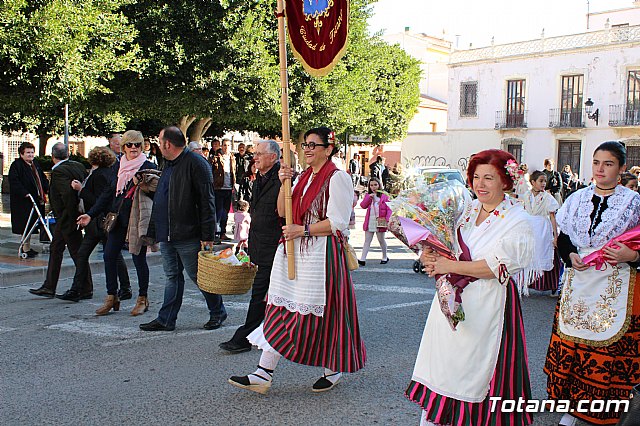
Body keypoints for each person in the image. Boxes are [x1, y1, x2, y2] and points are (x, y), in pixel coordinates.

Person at [228, 127, 366, 394]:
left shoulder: (337, 178)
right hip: (294, 251)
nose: (309, 149)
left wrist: (302, 231)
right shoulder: (301, 177)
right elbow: (282, 211)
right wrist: (284, 183)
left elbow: (337, 223)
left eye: (315, 145)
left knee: (323, 316)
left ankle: (332, 368)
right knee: (279, 309)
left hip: (321, 255)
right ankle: (263, 372)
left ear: (328, 149)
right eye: (306, 144)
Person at [409, 149, 538, 426]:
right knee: (444, 364)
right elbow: (443, 244)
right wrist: (430, 256)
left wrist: (449, 267)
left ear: (505, 181)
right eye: (476, 177)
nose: (480, 184)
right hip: (451, 299)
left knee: (478, 372)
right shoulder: (465, 209)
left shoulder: (518, 220)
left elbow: (496, 267)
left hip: (489, 304)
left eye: (489, 178)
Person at [544, 141, 640, 426]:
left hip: (618, 282)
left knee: (610, 351)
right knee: (571, 345)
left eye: (608, 163)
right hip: (579, 283)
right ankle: (571, 409)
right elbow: (564, 238)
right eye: (596, 162)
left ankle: (611, 414)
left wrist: (632, 255)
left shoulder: (635, 203)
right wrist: (570, 255)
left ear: (621, 168)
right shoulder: (576, 198)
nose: (600, 169)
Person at [139, 126, 226, 332]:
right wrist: (153, 233)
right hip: (168, 232)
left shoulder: (196, 163)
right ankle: (166, 319)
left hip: (189, 232)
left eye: (160, 141)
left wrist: (208, 235)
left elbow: (207, 201)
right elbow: (162, 199)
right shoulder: (168, 164)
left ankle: (218, 312)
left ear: (167, 144)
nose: (159, 145)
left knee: (199, 276)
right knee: (172, 276)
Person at [77, 131, 157, 316]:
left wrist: (144, 184)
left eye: (137, 144)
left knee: (138, 258)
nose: (134, 148)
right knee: (109, 255)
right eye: (129, 145)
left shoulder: (148, 166)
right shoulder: (119, 165)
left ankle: (143, 298)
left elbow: (156, 193)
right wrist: (90, 214)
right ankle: (112, 296)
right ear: (123, 147)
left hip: (137, 219)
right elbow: (107, 193)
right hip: (118, 218)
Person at [219, 140, 282, 354]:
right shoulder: (259, 179)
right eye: (255, 153)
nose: (255, 157)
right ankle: (267, 333)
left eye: (259, 154)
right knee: (267, 294)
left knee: (260, 294)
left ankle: (245, 337)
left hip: (275, 247)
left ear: (273, 157)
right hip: (259, 245)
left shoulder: (283, 179)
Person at [57, 147, 130, 302]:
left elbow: (98, 199)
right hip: (104, 222)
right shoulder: (110, 173)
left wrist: (80, 189)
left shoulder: (98, 175)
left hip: (97, 222)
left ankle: (78, 289)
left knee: (84, 254)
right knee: (113, 255)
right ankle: (125, 287)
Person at [29, 143, 87, 298]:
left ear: (52, 156)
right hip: (70, 217)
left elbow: (66, 196)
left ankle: (85, 287)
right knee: (56, 250)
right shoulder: (78, 166)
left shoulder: (59, 171)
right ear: (68, 154)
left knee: (76, 252)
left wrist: (69, 216)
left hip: (67, 218)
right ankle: (49, 286)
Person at [522, 170, 561, 293]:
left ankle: (549, 284)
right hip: (529, 228)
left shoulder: (547, 197)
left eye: (545, 181)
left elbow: (552, 216)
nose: (544, 183)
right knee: (529, 254)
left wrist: (555, 235)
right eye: (541, 181)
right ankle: (528, 283)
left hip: (543, 228)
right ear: (533, 182)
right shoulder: (527, 195)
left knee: (543, 252)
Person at [9, 142, 49, 258]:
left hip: (36, 200)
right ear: (22, 154)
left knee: (33, 224)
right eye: (28, 152)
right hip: (24, 202)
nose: (30, 155)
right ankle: (25, 248)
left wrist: (46, 188)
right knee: (25, 225)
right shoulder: (17, 166)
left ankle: (27, 247)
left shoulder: (35, 164)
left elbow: (42, 178)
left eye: (32, 152)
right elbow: (14, 182)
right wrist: (25, 193)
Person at [358, 178, 391, 266]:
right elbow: (363, 206)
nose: (373, 187)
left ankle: (385, 256)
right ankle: (362, 259)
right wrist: (369, 198)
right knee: (367, 240)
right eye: (371, 185)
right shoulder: (368, 195)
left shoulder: (384, 196)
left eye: (375, 185)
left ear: (379, 185)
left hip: (381, 220)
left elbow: (389, 208)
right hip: (370, 220)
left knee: (381, 240)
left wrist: (387, 219)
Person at [211, 138, 235, 241]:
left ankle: (223, 232)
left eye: (228, 145)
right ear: (221, 146)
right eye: (224, 145)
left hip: (228, 188)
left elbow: (233, 171)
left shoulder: (232, 158)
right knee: (218, 212)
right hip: (218, 188)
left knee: (225, 212)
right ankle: (216, 233)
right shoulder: (216, 158)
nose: (226, 147)